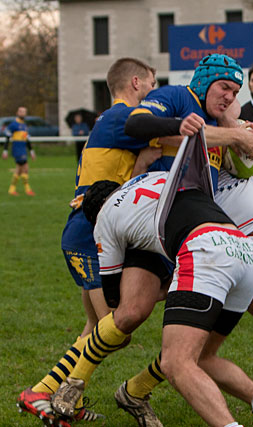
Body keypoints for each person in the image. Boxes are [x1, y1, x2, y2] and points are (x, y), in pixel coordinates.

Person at [49, 54, 253, 425]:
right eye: (224, 88)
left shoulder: (226, 119)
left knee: (190, 337)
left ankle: (134, 391)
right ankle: (65, 385)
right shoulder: (177, 98)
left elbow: (249, 169)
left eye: (236, 91)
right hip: (154, 224)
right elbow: (139, 123)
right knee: (130, 315)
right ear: (203, 83)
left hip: (193, 232)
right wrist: (232, 133)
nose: (231, 96)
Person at [80, 133, 253, 427]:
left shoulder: (104, 217)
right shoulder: (153, 178)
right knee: (203, 357)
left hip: (205, 250)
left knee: (175, 362)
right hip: (244, 250)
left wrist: (143, 295)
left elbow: (112, 295)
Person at [16, 57, 161, 427]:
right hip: (87, 237)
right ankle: (40, 390)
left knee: (95, 327)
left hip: (93, 234)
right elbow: (170, 135)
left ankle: (66, 397)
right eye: (151, 84)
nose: (154, 93)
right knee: (116, 326)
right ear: (135, 82)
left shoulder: (112, 123)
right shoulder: (123, 118)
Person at [3, 106, 36, 196]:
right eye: (21, 111)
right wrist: (5, 150)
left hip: (23, 149)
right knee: (24, 168)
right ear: (17, 113)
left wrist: (31, 151)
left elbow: (27, 139)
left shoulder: (25, 126)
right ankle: (27, 189)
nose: (23, 113)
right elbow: (7, 137)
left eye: (24, 112)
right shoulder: (14, 124)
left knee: (20, 170)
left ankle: (12, 189)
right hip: (17, 149)